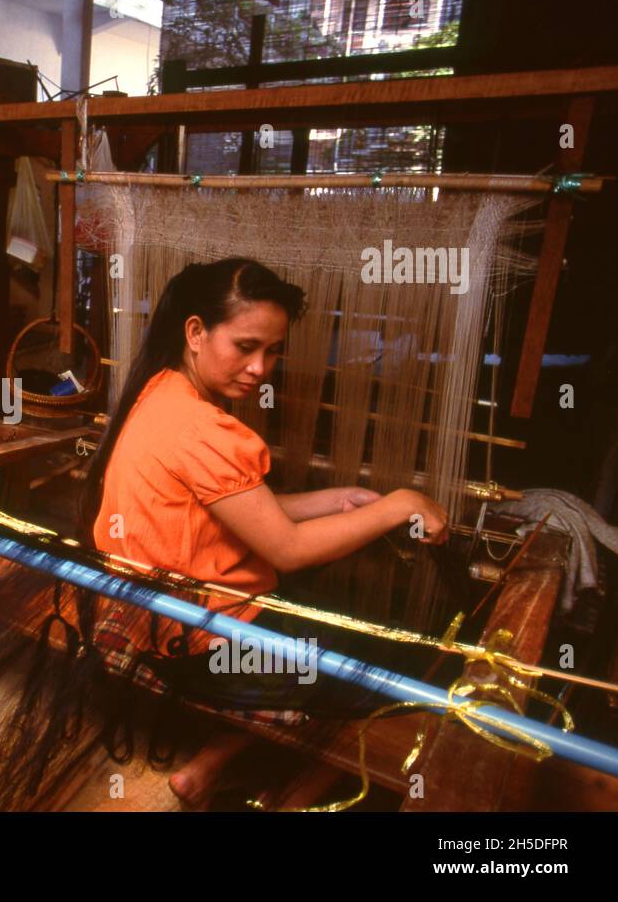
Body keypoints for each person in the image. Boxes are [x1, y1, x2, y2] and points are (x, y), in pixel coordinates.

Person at [81, 258, 450, 807]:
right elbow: (287, 548)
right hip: (202, 649)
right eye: (246, 346)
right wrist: (401, 503)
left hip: (161, 622)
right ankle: (274, 782)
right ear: (196, 333)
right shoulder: (204, 428)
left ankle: (210, 767)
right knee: (404, 662)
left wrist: (334, 500)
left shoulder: (159, 393)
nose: (260, 368)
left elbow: (236, 509)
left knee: (345, 627)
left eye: (273, 351)